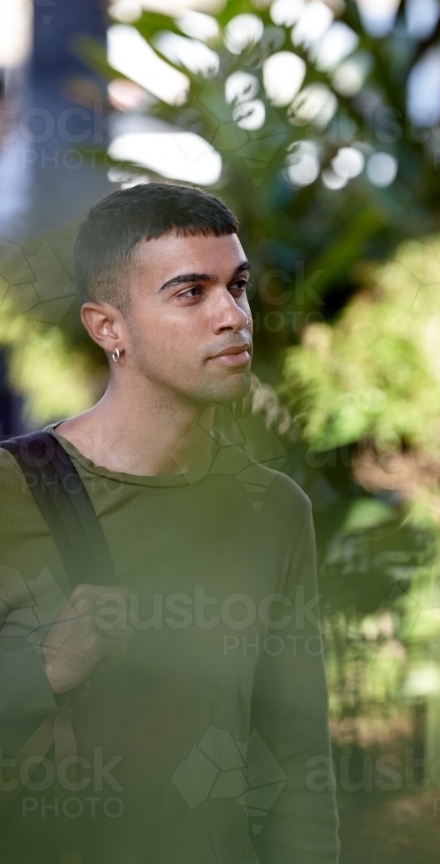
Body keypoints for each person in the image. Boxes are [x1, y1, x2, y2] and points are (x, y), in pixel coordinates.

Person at [0, 183, 340, 864]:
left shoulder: (268, 508)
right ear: (108, 328)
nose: (233, 316)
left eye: (237, 286)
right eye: (191, 293)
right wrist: (42, 672)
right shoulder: (11, 492)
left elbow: (297, 755)